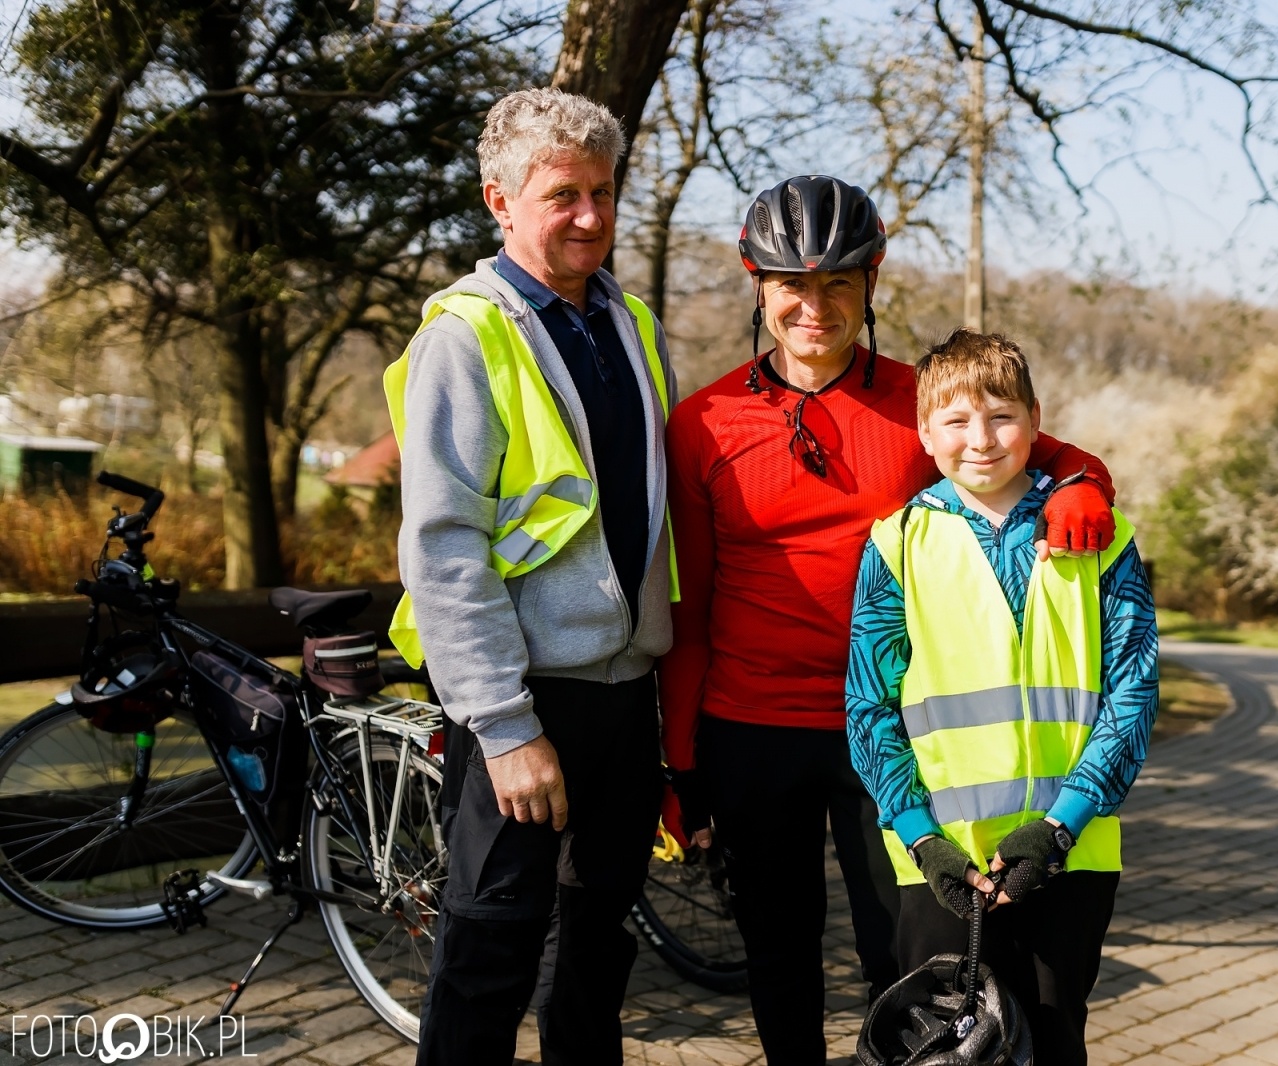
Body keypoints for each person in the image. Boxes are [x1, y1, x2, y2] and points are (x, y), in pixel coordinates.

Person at [658, 175, 1122, 1066]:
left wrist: (1086, 483)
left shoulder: (920, 405)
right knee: (778, 956)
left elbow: (1036, 445)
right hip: (751, 727)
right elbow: (690, 610)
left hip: (891, 733)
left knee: (906, 963)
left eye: (838, 282)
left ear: (871, 282)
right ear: (759, 285)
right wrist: (681, 762)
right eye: (792, 284)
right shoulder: (702, 424)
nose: (814, 306)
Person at [385, 88, 676, 1066]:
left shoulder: (632, 323)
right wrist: (505, 729)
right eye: (563, 195)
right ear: (499, 201)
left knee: (594, 954)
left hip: (624, 697)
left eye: (603, 191)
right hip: (522, 699)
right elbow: (444, 545)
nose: (591, 215)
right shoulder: (466, 335)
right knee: (489, 953)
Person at [844, 329, 1159, 1066]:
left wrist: (1057, 830)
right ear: (925, 435)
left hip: (1069, 853)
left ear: (1035, 420)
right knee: (947, 1052)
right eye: (955, 421)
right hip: (940, 863)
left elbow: (1133, 692)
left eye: (1001, 417)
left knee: (1054, 1042)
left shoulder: (1102, 538)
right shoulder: (896, 544)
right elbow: (868, 709)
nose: (980, 440)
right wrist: (922, 839)